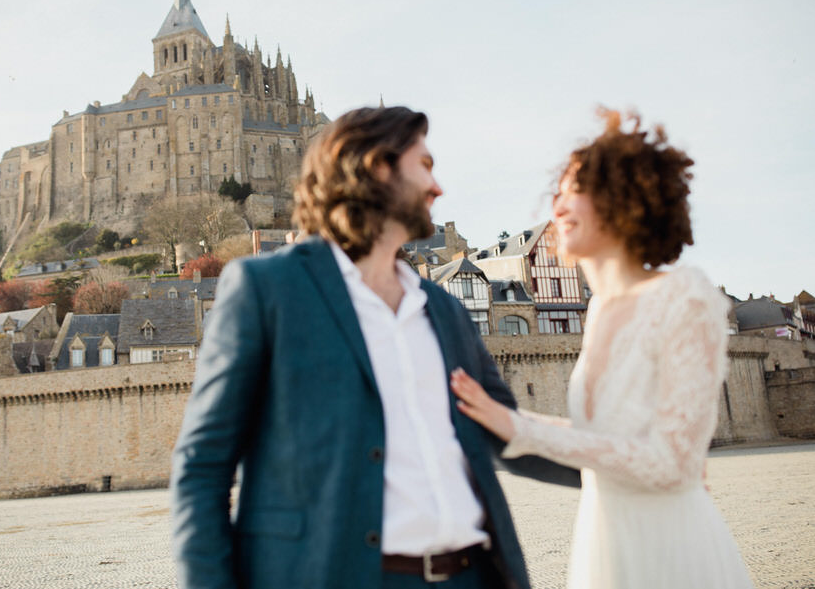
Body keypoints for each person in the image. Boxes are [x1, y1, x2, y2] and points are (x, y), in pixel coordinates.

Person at [170, 106, 579, 589]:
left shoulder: (444, 311)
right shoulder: (268, 289)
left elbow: (509, 434)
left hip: (472, 576)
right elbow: (203, 466)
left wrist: (633, 465)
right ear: (378, 168)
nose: (438, 187)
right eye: (425, 166)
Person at [450, 110, 755, 589]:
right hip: (606, 537)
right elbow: (605, 437)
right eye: (558, 193)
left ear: (624, 201)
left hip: (670, 544)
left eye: (575, 191)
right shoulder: (601, 310)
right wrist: (501, 418)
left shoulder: (686, 296)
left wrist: (518, 426)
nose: (557, 208)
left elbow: (675, 463)